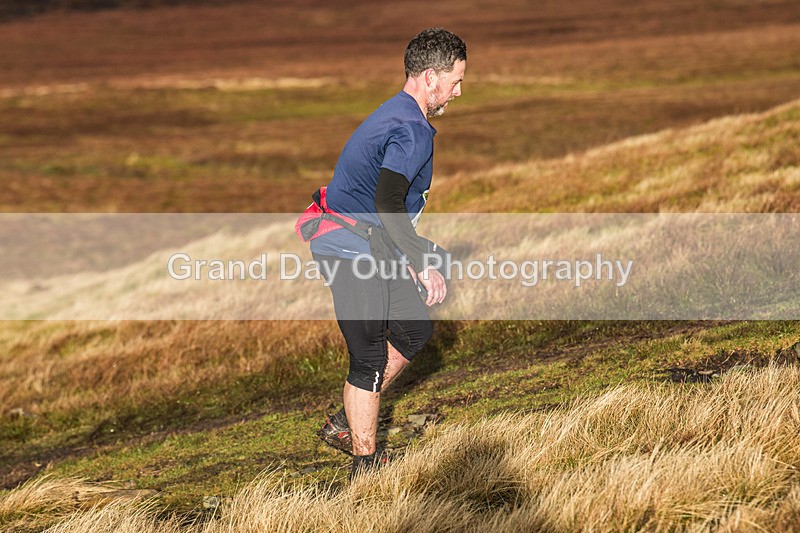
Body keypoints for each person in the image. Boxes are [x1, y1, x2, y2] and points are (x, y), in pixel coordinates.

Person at [309, 28, 466, 478]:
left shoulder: (396, 113)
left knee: (414, 330)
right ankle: (366, 467)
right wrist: (422, 262)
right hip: (347, 247)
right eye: (455, 81)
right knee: (369, 356)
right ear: (431, 76)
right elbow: (388, 201)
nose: (459, 91)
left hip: (372, 242)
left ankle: (346, 421)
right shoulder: (413, 129)